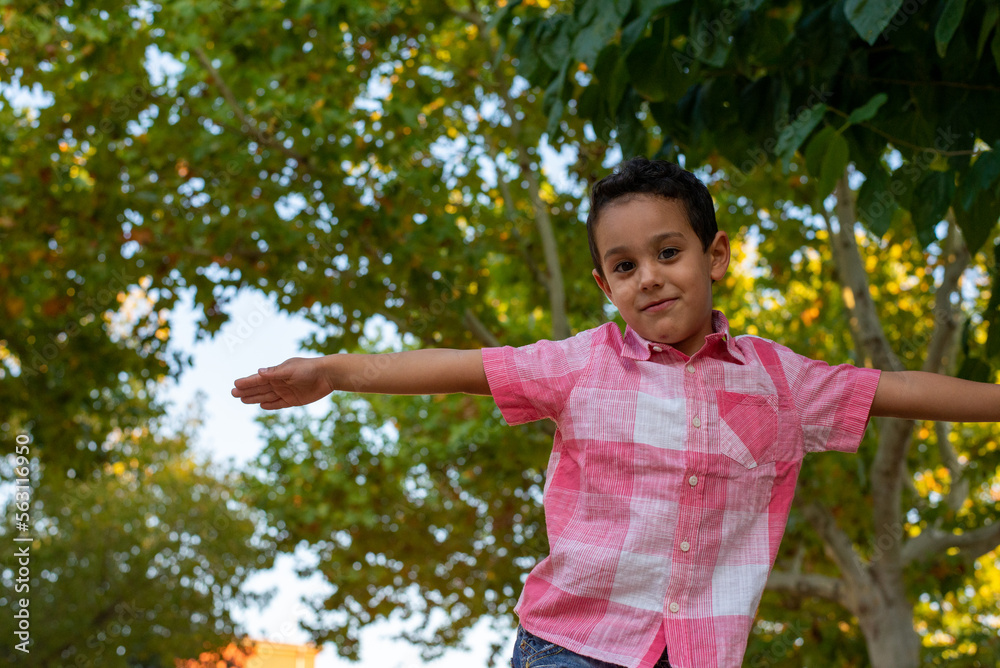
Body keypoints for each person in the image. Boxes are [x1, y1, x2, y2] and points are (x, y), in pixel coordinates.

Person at [231, 158, 1000, 668]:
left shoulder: (780, 379)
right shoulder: (580, 363)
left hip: (700, 654)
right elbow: (459, 369)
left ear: (715, 256)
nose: (649, 278)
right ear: (605, 285)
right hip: (569, 645)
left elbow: (899, 388)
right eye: (625, 266)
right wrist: (335, 370)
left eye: (668, 253)